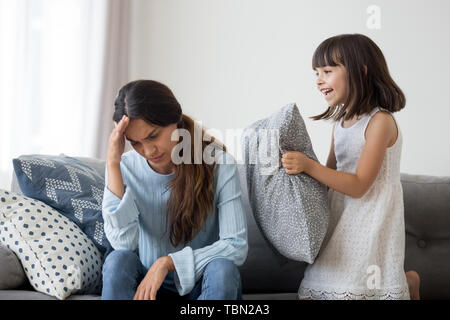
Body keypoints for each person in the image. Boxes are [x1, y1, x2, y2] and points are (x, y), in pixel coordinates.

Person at [281, 34, 420, 300]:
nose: (319, 80)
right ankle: (407, 281)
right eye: (317, 73)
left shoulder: (380, 122)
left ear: (361, 71)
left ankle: (408, 283)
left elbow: (358, 185)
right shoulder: (341, 123)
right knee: (310, 294)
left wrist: (308, 165)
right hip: (339, 220)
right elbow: (330, 174)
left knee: (357, 291)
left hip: (369, 220)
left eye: (327, 71)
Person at [101, 80, 248, 300]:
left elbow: (235, 246)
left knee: (222, 270)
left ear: (175, 121)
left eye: (153, 136)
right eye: (136, 143)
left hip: (200, 285)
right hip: (147, 290)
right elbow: (124, 243)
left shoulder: (219, 165)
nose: (148, 151)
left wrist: (168, 263)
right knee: (117, 261)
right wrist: (113, 163)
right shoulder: (124, 167)